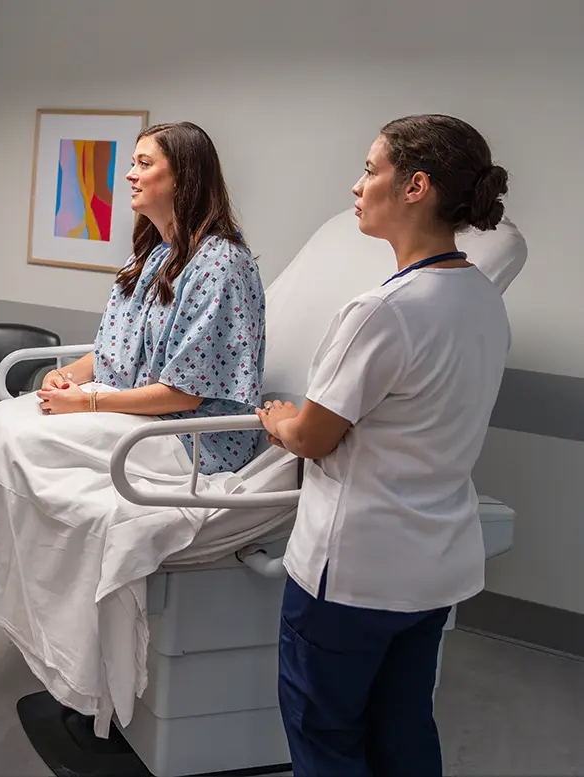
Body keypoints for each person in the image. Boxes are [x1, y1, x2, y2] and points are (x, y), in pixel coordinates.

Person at [0, 121, 266, 728]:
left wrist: (88, 406)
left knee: (22, 438)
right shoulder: (153, 253)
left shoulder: (220, 264)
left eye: (145, 163)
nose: (130, 173)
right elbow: (114, 348)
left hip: (189, 437)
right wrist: (71, 373)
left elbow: (184, 392)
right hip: (131, 405)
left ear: (185, 176)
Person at [255, 114, 512, 777]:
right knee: (402, 728)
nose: (356, 186)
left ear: (414, 186)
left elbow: (313, 437)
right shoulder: (481, 300)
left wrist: (277, 419)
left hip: (352, 573)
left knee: (327, 735)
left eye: (370, 170)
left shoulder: (379, 311)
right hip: (433, 567)